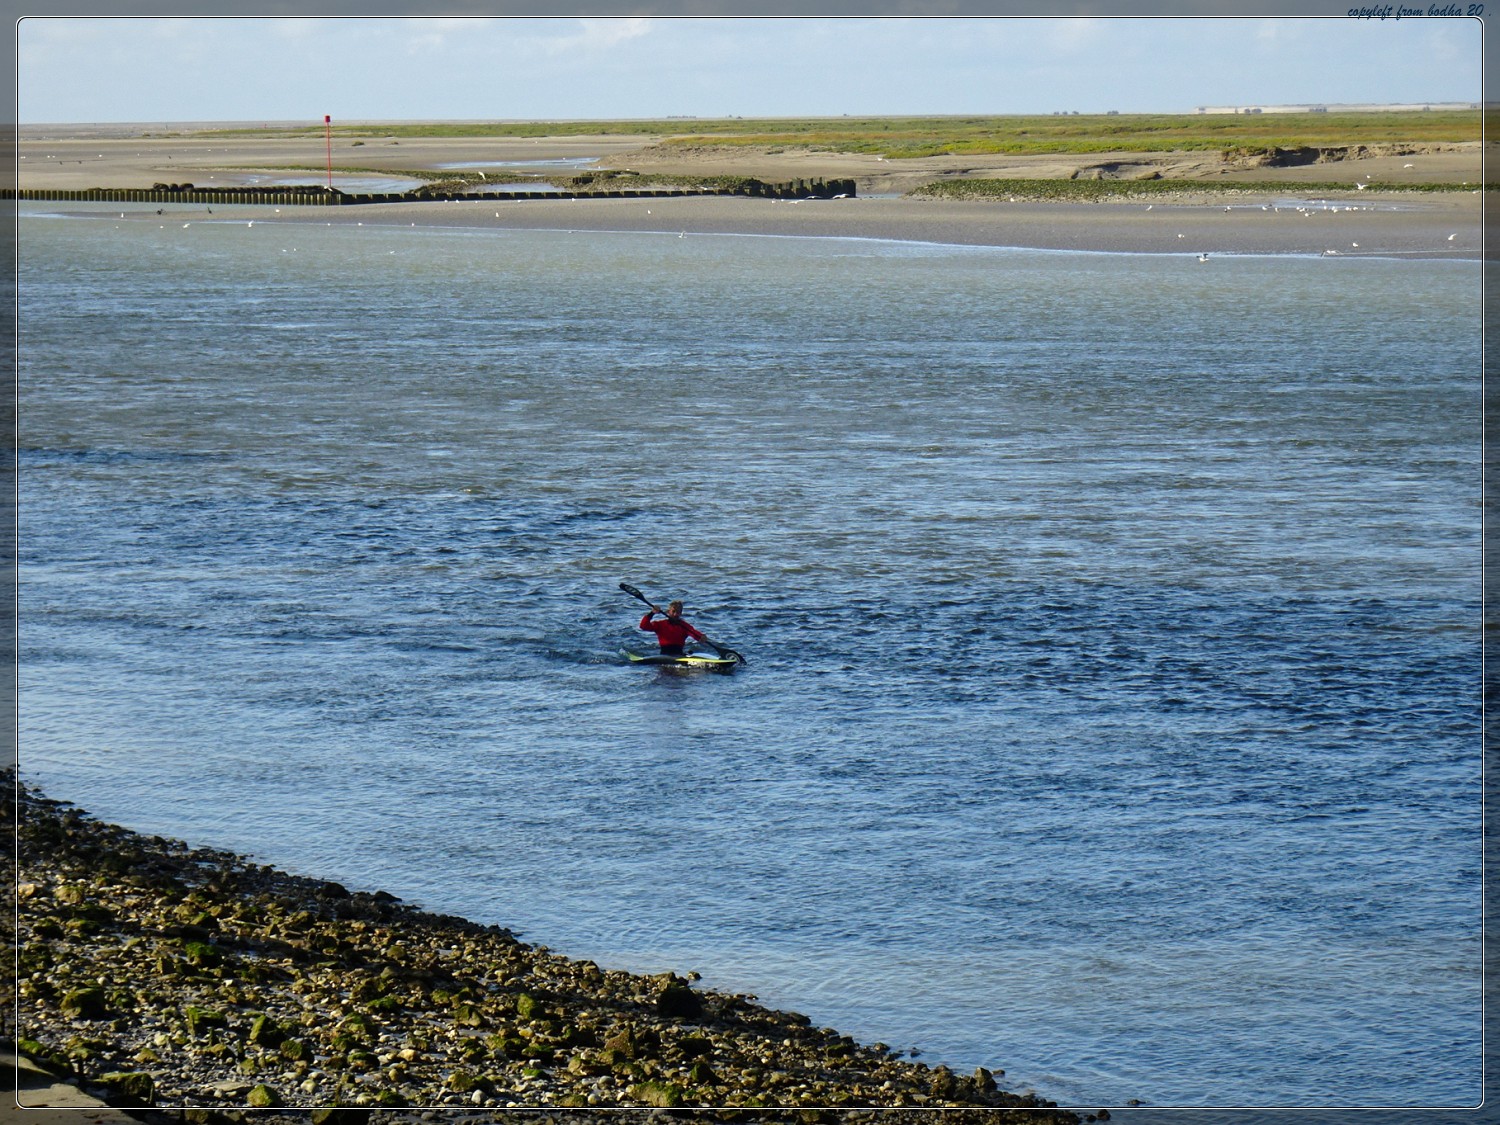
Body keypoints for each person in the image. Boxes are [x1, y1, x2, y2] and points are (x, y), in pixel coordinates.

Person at [640, 600, 707, 656]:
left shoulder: (684, 626)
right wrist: (652, 613)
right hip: (664, 655)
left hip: (679, 655)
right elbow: (643, 626)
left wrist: (701, 636)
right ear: (668, 612)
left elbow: (694, 633)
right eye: (673, 611)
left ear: (681, 613)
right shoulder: (660, 624)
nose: (675, 614)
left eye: (678, 612)